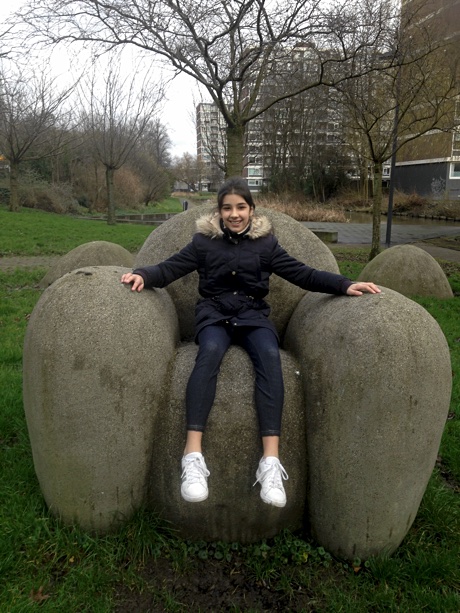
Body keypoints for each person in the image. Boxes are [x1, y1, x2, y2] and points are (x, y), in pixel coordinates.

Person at [121, 177, 380, 508]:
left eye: (240, 207)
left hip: (253, 316)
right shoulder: (203, 242)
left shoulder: (266, 244)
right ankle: (192, 457)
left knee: (270, 356)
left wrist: (345, 284)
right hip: (214, 315)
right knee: (210, 352)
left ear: (251, 210)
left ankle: (270, 462)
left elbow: (303, 274)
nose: (234, 214)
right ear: (219, 211)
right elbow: (171, 268)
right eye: (227, 208)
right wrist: (143, 274)